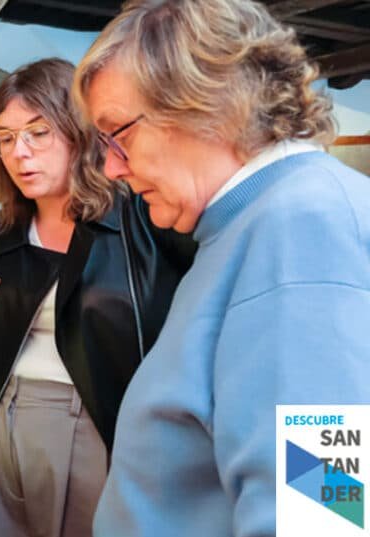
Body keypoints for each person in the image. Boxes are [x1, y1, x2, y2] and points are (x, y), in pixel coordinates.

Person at [71, 1, 370, 535]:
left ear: (207, 105)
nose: (112, 167)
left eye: (119, 134)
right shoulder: (250, 222)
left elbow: (322, 512)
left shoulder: (301, 228)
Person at [0, 59, 193, 537]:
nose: (19, 153)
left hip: (102, 430)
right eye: (5, 138)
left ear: (79, 132)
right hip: (2, 426)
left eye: (38, 132)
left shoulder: (140, 221)